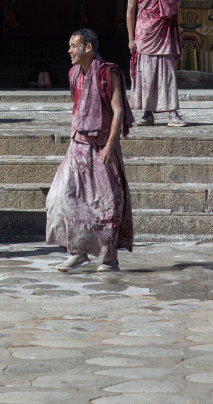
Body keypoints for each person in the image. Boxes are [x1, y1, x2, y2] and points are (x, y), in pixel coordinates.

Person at [46, 29, 134, 273]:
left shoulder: (108, 72)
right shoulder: (74, 73)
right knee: (61, 198)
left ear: (88, 48)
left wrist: (109, 145)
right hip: (78, 145)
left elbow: (117, 111)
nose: (70, 51)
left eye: (74, 46)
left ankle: (108, 259)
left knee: (105, 204)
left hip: (102, 146)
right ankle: (78, 251)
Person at [127, 0, 186, 127]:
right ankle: (147, 113)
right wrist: (131, 38)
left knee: (167, 73)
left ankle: (173, 113)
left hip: (164, 30)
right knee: (146, 73)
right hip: (144, 33)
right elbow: (130, 12)